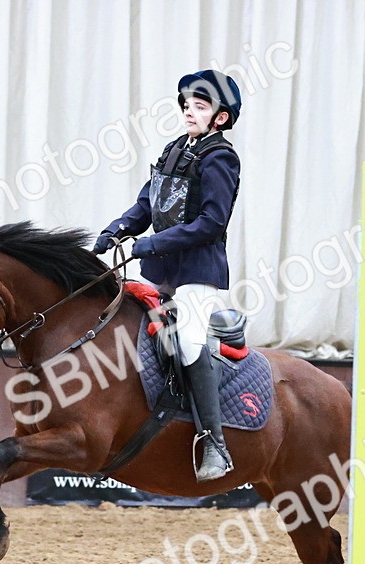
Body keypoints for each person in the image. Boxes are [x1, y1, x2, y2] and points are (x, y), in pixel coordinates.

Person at [93, 69, 242, 482]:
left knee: (191, 342)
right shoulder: (175, 149)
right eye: (187, 105)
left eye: (200, 106)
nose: (189, 112)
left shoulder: (221, 158)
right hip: (162, 273)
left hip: (197, 274)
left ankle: (215, 442)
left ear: (220, 118)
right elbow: (147, 204)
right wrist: (117, 230)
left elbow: (212, 222)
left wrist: (153, 244)